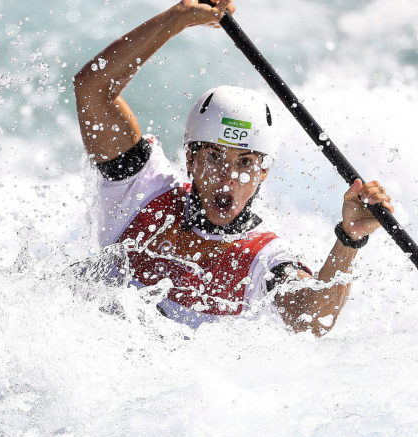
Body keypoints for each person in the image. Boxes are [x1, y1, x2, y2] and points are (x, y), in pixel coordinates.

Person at [73, 0, 394, 336]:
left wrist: (349, 239)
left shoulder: (265, 260)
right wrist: (178, 18)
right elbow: (92, 89)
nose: (228, 177)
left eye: (245, 163)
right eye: (213, 157)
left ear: (263, 173)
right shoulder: (141, 190)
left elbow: (311, 321)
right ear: (190, 160)